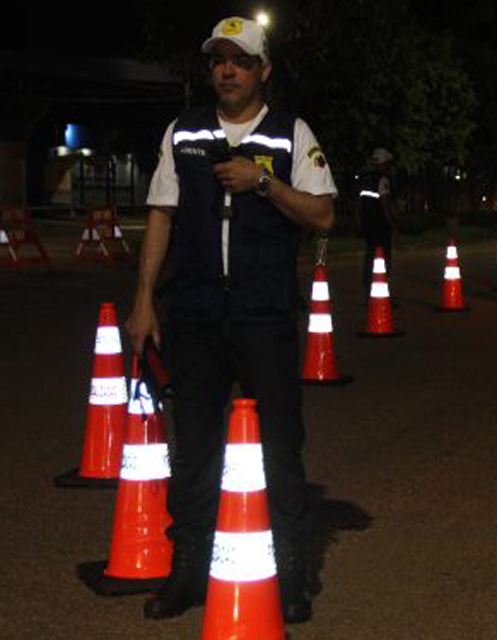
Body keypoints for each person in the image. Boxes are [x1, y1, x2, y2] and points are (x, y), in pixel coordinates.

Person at [125, 16, 336, 623]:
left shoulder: (291, 134)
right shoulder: (183, 131)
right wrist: (144, 301)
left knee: (280, 448)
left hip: (263, 316)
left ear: (263, 70)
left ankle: (291, 573)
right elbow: (161, 216)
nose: (227, 70)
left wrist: (263, 182)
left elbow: (322, 216)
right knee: (190, 450)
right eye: (218, 59)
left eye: (240, 61)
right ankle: (187, 569)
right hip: (192, 314)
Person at [359, 147, 398, 295]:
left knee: (370, 257)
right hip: (380, 226)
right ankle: (380, 293)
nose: (389, 166)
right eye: (387, 163)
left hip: (368, 225)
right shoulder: (383, 180)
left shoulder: (365, 179)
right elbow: (385, 204)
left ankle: (368, 290)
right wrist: (393, 224)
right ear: (383, 163)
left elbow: (360, 203)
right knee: (383, 259)